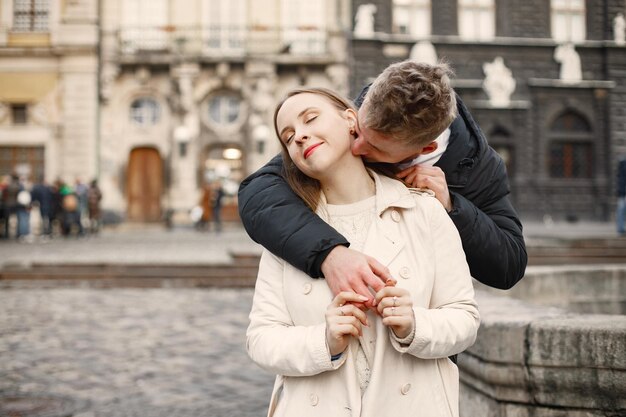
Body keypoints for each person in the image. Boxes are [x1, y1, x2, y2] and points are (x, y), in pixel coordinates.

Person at [246, 87, 479, 416]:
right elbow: (261, 339)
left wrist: (415, 324)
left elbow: (465, 318)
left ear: (350, 119)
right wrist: (324, 341)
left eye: (310, 118)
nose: (299, 135)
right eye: (288, 136)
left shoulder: (424, 212)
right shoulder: (287, 233)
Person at [238, 60, 527, 304]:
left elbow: (509, 266)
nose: (357, 147)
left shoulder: (479, 168)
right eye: (359, 131)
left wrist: (453, 206)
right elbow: (258, 193)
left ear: (424, 149)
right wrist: (329, 254)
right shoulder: (346, 127)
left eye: (375, 148)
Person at [617, 157, 626, 236]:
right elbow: (620, 178)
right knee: (621, 209)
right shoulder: (623, 162)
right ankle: (620, 229)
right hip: (623, 192)